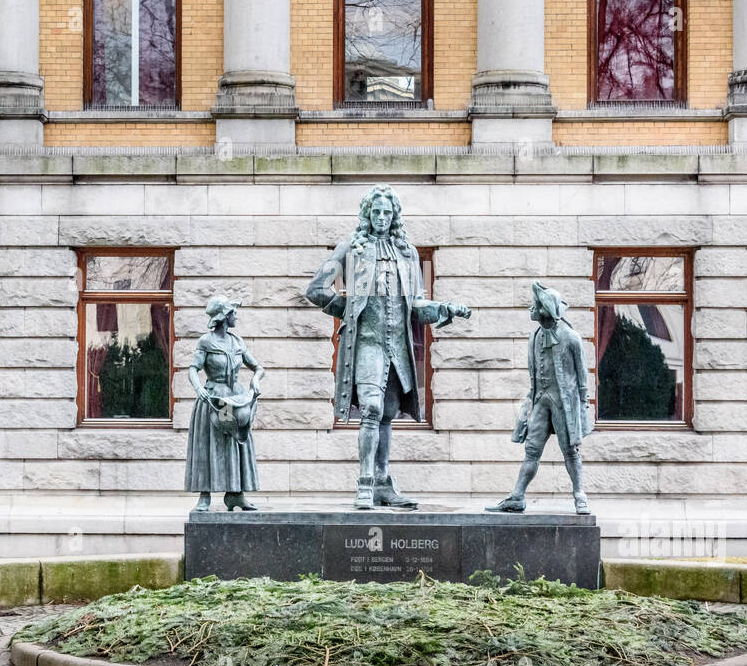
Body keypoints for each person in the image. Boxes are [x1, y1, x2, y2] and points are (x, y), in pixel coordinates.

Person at [305, 185, 471, 509]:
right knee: (370, 408)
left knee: (388, 415)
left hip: (398, 347)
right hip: (367, 343)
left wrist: (445, 309)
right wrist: (349, 309)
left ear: (394, 216)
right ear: (367, 214)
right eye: (376, 212)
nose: (381, 217)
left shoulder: (407, 254)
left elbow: (416, 306)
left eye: (387, 212)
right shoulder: (351, 249)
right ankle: (365, 484)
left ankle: (382, 482)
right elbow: (315, 289)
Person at [486, 282, 592, 515]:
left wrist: (584, 405)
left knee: (570, 451)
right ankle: (517, 496)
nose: (532, 311)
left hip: (564, 404)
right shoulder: (534, 337)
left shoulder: (572, 338)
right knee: (532, 450)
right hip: (541, 401)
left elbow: (583, 375)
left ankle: (579, 494)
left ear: (548, 310)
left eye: (537, 306)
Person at [185, 297, 264, 511]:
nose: (236, 316)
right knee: (209, 446)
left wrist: (255, 380)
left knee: (236, 442)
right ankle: (204, 496)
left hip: (236, 398)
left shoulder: (237, 342)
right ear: (224, 317)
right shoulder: (206, 341)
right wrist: (199, 388)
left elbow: (258, 367)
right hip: (215, 399)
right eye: (233, 312)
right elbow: (193, 368)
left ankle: (236, 494)